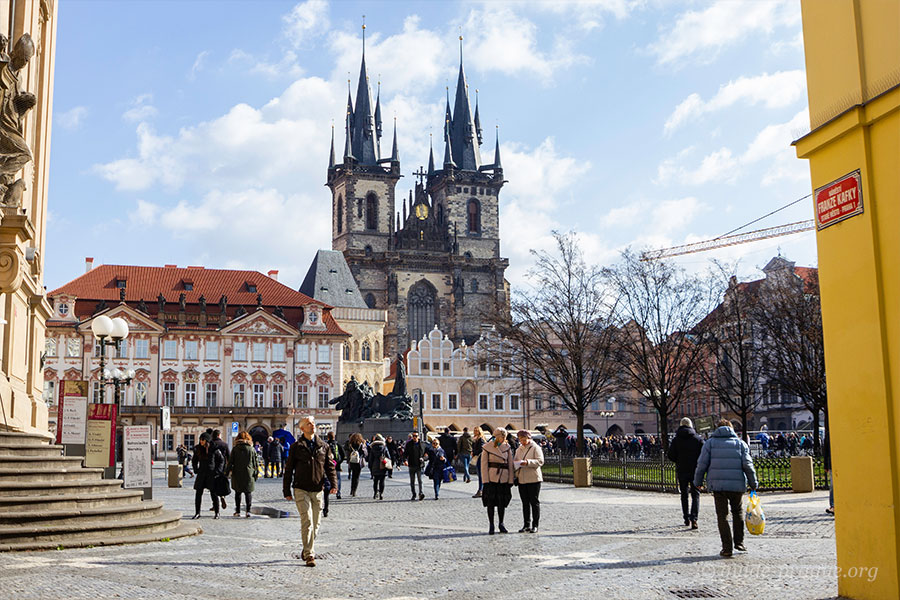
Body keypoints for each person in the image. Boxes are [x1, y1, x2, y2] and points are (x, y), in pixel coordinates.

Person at [693, 419, 759, 558]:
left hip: (718, 486)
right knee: (737, 512)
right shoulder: (740, 444)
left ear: (717, 429)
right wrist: (753, 483)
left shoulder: (709, 444)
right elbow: (748, 464)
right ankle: (739, 542)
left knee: (722, 516)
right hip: (737, 485)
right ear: (731, 429)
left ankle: (727, 547)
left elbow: (701, 464)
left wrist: (697, 482)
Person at [283, 416, 337, 567]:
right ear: (302, 429)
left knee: (316, 523)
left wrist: (333, 484)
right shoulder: (296, 447)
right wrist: (286, 489)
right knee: (307, 522)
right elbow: (288, 470)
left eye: (313, 423)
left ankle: (307, 547)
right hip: (301, 488)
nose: (312, 426)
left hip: (318, 488)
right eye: (308, 424)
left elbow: (330, 467)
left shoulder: (323, 446)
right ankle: (309, 555)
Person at [668, 417, 704, 529]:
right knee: (696, 494)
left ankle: (686, 518)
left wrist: (678, 460)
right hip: (695, 470)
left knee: (684, 494)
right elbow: (703, 454)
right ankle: (694, 519)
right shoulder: (698, 439)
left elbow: (670, 455)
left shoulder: (676, 439)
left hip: (682, 470)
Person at [480, 428, 515, 534]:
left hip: (503, 478)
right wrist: (485, 480)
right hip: (491, 478)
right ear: (496, 436)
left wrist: (510, 480)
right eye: (501, 436)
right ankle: (491, 524)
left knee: (501, 502)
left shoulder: (507, 447)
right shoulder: (487, 447)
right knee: (490, 502)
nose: (503, 438)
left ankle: (501, 523)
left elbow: (510, 464)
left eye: (504, 436)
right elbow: (484, 465)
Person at [514, 429, 544, 533]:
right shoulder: (519, 449)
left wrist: (528, 462)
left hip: (533, 478)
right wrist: (516, 464)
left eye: (524, 439)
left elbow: (540, 461)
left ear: (528, 438)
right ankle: (526, 524)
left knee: (534, 502)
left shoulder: (535, 447)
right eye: (520, 439)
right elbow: (515, 461)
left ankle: (535, 525)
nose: (522, 441)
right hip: (522, 479)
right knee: (525, 503)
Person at [191, 432, 225, 519]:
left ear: (207, 440)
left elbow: (221, 460)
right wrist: (196, 469)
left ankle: (217, 512)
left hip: (212, 474)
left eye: (202, 440)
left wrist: (217, 471)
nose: (201, 441)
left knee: (214, 494)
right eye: (200, 440)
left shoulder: (214, 449)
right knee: (198, 493)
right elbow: (194, 460)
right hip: (202, 473)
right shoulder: (198, 449)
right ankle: (197, 512)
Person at [227, 430, 259, 518]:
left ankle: (237, 511)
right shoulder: (251, 449)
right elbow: (256, 463)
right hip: (249, 473)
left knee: (238, 493)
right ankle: (248, 511)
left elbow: (230, 462)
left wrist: (227, 472)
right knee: (248, 492)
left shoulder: (235, 448)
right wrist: (256, 474)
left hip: (237, 473)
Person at [404, 431, 427, 501]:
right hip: (411, 465)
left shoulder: (422, 444)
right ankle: (413, 494)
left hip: (419, 465)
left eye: (416, 436)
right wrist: (405, 460)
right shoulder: (409, 444)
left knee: (420, 480)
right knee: (412, 481)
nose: (414, 437)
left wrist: (423, 458)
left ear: (418, 436)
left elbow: (426, 454)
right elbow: (405, 454)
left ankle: (421, 493)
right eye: (413, 436)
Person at [368, 434, 391, 500]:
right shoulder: (384, 447)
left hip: (375, 465)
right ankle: (381, 494)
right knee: (382, 480)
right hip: (382, 465)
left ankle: (375, 493)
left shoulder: (372, 448)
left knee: (375, 481)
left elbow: (370, 459)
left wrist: (370, 467)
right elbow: (388, 457)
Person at [346, 432, 367, 497]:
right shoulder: (361, 444)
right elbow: (365, 453)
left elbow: (347, 451)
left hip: (352, 461)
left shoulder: (350, 444)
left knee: (353, 476)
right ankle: (354, 491)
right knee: (357, 477)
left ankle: (351, 490)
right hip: (358, 462)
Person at [326, 431, 344, 499]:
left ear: (328, 437)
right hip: (337, 465)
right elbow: (343, 455)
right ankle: (338, 493)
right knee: (338, 479)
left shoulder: (326, 445)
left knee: (327, 479)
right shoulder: (338, 445)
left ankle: (327, 492)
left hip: (328, 465)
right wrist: (339, 462)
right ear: (334, 437)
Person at [472, 427, 486, 498]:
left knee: (481, 475)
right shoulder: (476, 438)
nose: (475, 432)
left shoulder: (481, 439)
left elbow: (481, 449)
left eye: (476, 431)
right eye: (474, 430)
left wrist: (474, 453)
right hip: (478, 457)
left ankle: (481, 490)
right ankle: (481, 490)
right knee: (479, 474)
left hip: (480, 458)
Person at [824, 430, 834, 515]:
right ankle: (833, 506)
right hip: (832, 464)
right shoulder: (829, 434)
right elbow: (826, 450)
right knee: (832, 486)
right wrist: (826, 465)